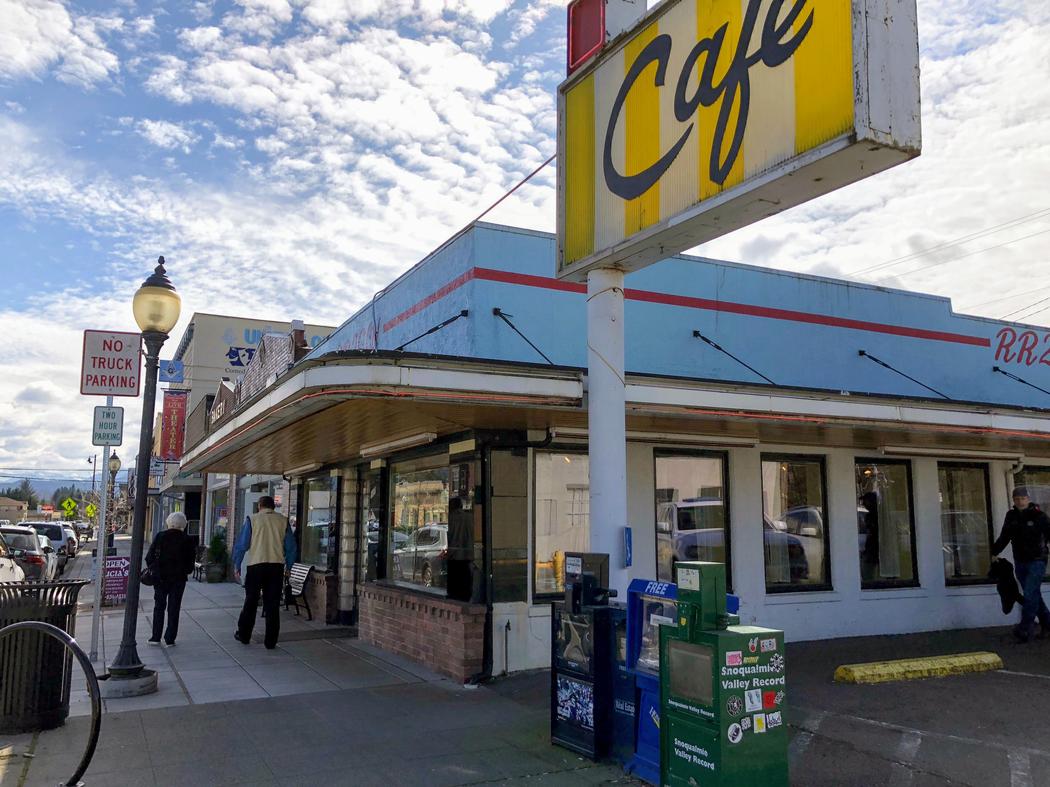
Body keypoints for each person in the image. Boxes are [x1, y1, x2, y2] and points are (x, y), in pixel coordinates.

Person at [232, 496, 297, 649]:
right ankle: (271, 641)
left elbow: (242, 545)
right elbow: (291, 547)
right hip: (276, 566)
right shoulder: (283, 521)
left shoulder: (252, 520)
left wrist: (237, 565)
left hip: (256, 565)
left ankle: (244, 635)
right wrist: (289, 567)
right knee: (272, 604)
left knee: (251, 601)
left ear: (259, 506)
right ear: (273, 506)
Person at [991, 486, 1050, 642]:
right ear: (1013, 500)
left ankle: (1025, 628)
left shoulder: (1039, 516)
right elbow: (1005, 535)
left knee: (1030, 594)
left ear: (1028, 499)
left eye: (1023, 498)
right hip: (1020, 560)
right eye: (1017, 499)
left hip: (1037, 559)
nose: (1020, 502)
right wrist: (994, 552)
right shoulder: (1011, 516)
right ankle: (1047, 624)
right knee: (1033, 594)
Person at [145, 512, 195, 646]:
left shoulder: (160, 536)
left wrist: (154, 568)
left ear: (169, 522)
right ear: (183, 524)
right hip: (179, 578)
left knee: (159, 606)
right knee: (174, 608)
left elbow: (149, 557)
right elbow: (190, 564)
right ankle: (170, 638)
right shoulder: (188, 540)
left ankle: (155, 637)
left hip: (160, 577)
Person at [446, 497, 473, 601]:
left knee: (455, 584)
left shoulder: (451, 518)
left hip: (455, 555)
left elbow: (449, 537)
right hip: (468, 554)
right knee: (466, 579)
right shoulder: (470, 517)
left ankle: (456, 597)